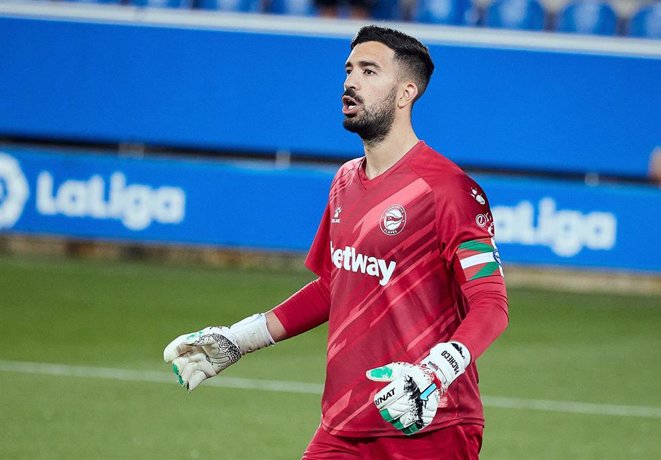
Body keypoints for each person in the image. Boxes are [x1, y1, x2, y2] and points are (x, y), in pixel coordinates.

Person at [164, 25, 509, 459]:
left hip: (429, 426)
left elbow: (491, 305)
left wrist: (436, 371)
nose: (350, 82)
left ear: (405, 94)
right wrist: (239, 339)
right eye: (349, 70)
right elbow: (332, 287)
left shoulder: (450, 190)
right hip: (343, 427)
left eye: (369, 71)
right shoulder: (345, 180)